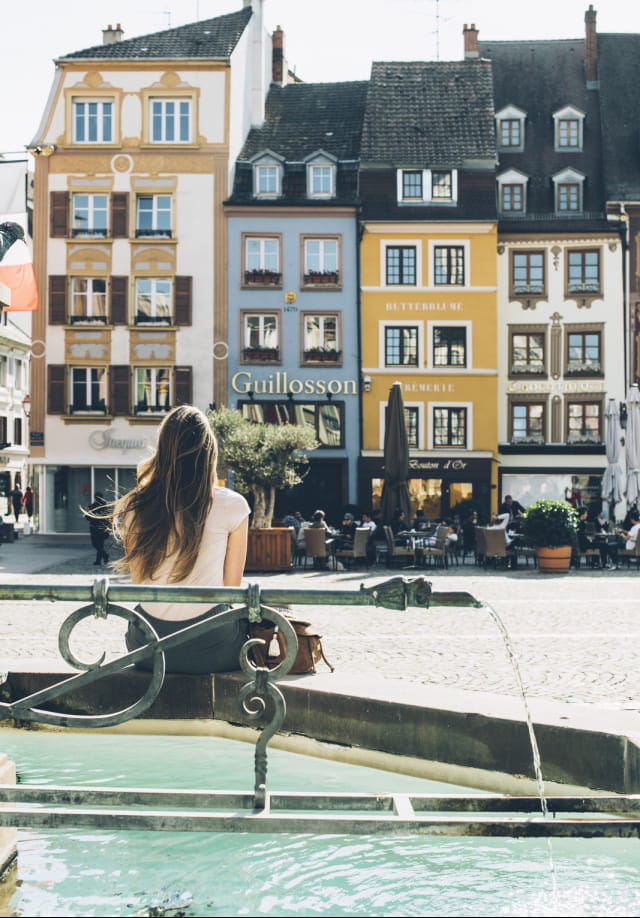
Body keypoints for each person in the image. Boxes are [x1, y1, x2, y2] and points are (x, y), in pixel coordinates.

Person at [111, 405, 250, 674]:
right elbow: (231, 590)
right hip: (211, 644)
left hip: (148, 645)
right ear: (209, 452)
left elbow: (139, 583)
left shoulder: (137, 506)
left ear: (162, 451)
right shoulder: (233, 505)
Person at [87, 492, 111, 566]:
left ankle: (104, 556)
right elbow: (109, 517)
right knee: (100, 544)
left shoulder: (94, 506)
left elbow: (88, 517)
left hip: (95, 528)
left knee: (96, 544)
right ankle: (99, 560)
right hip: (102, 527)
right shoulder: (105, 506)